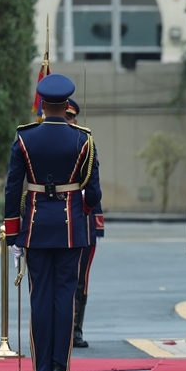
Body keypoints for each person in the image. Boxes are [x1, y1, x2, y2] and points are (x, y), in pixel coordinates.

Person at [3, 74, 102, 371]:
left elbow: (11, 190)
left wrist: (13, 231)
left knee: (40, 297)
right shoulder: (83, 140)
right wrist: (82, 209)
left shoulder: (24, 138)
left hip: (33, 227)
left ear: (42, 105)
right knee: (64, 297)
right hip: (71, 228)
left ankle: (42, 369)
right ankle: (61, 367)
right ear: (65, 106)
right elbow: (94, 195)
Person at [65, 98, 104, 348]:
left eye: (70, 117)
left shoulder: (85, 144)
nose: (66, 121)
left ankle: (76, 330)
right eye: (63, 115)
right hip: (56, 219)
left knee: (81, 279)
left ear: (75, 120)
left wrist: (95, 220)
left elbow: (94, 186)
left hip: (82, 218)